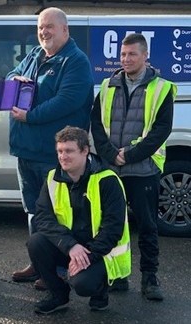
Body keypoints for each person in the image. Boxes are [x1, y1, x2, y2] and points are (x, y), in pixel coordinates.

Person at [6, 7, 94, 286]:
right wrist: (13, 81)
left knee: (57, 213)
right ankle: (39, 263)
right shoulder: (35, 54)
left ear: (65, 30)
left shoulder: (75, 61)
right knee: (34, 210)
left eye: (50, 27)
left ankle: (56, 269)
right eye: (40, 27)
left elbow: (67, 100)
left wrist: (30, 116)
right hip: (26, 151)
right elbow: (12, 74)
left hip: (53, 155)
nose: (44, 32)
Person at [91, 33, 176, 301]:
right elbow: (96, 124)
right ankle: (118, 275)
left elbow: (161, 130)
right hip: (112, 169)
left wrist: (129, 155)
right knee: (114, 223)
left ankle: (150, 279)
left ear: (145, 56)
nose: (126, 59)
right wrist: (108, 154)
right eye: (123, 55)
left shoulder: (161, 88)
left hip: (143, 170)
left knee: (148, 225)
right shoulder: (107, 85)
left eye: (132, 54)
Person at [28, 126, 131, 314]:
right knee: (35, 242)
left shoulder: (108, 180)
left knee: (83, 284)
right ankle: (58, 295)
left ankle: (100, 292)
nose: (62, 156)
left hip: (101, 252)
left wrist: (89, 255)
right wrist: (70, 246)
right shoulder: (53, 178)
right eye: (59, 151)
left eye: (69, 151)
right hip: (71, 245)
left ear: (85, 151)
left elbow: (113, 228)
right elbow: (42, 218)